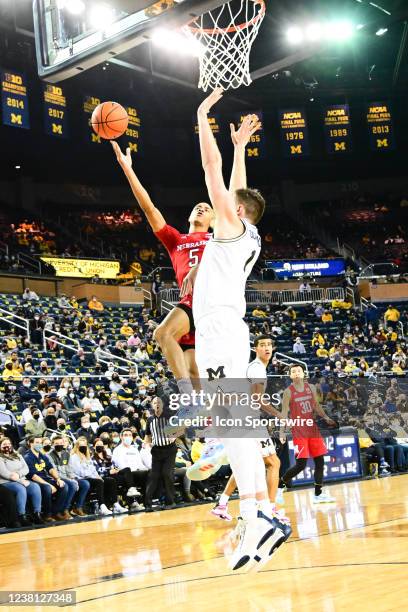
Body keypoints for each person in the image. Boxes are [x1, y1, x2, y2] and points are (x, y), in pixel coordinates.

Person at [181, 90, 290, 571]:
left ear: (235, 212)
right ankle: (261, 515)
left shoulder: (232, 227)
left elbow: (212, 174)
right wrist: (242, 148)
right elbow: (237, 190)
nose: (220, 198)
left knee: (237, 425)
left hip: (221, 329)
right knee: (233, 425)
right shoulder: (246, 231)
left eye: (228, 202)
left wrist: (203, 119)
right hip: (220, 329)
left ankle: (258, 514)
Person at [210, 336, 284, 521]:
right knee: (273, 463)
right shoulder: (257, 368)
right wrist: (279, 415)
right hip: (248, 420)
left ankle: (222, 504)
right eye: (262, 345)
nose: (267, 348)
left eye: (269, 345)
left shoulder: (253, 368)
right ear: (255, 349)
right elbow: (257, 399)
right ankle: (271, 508)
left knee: (248, 463)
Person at [277, 364, 337, 503]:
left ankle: (318, 494)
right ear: (290, 375)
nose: (296, 373)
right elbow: (284, 413)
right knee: (301, 465)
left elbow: (316, 406)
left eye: (299, 371)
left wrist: (326, 417)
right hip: (299, 431)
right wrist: (282, 432)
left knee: (320, 462)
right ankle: (280, 486)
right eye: (293, 372)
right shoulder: (288, 392)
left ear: (303, 373)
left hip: (313, 430)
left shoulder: (311, 388)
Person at [24, 436, 69, 522]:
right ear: (30, 444)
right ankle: (47, 514)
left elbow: (51, 468)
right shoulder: (27, 457)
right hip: (35, 481)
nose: (39, 444)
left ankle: (55, 512)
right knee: (47, 488)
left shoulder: (42, 455)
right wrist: (48, 484)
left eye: (40, 443)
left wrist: (58, 479)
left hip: (46, 479)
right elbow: (33, 476)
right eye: (37, 442)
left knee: (64, 486)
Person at [144, 397, 178, 511]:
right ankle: (147, 503)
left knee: (167, 474)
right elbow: (147, 435)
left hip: (170, 449)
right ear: (152, 406)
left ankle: (170, 501)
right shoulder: (149, 420)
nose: (157, 404)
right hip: (156, 450)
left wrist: (175, 435)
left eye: (159, 402)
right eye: (154, 403)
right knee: (153, 476)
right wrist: (146, 443)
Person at [0, 437, 43, 526]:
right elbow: (5, 473)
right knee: (20, 488)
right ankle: (21, 516)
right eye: (4, 444)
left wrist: (19, 475)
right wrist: (20, 481)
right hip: (6, 482)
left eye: (9, 444)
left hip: (21, 479)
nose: (7, 446)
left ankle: (37, 514)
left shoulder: (17, 455)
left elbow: (26, 468)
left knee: (35, 487)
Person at [48, 435, 90, 517]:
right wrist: (70, 480)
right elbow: (54, 472)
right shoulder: (49, 455)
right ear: (52, 445)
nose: (59, 445)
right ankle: (65, 509)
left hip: (67, 478)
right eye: (57, 443)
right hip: (56, 478)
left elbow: (69, 469)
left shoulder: (66, 454)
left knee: (85, 484)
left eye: (61, 443)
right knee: (72, 485)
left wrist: (73, 478)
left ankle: (78, 507)